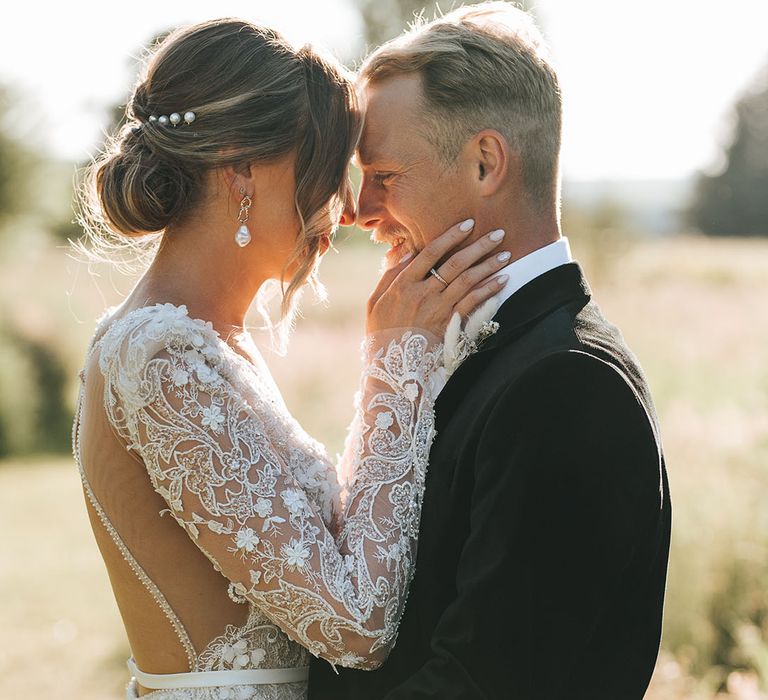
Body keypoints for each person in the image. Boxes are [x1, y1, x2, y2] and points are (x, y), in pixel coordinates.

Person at [73, 18, 511, 700]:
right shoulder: (161, 362)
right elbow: (356, 626)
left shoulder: (205, 342)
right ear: (241, 164)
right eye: (327, 169)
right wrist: (396, 366)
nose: (345, 209)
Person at [309, 3, 672, 699]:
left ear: (484, 162)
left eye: (383, 174)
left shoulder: (570, 387)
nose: (358, 212)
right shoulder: (470, 351)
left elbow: (486, 682)